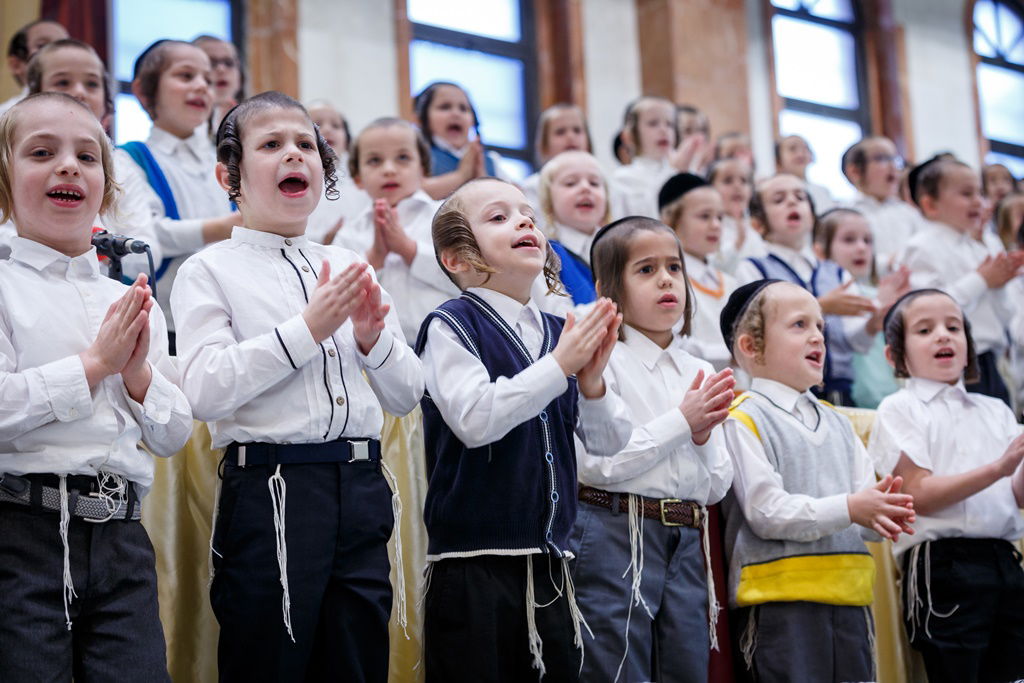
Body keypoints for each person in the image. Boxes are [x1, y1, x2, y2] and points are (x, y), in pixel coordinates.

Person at [171, 91, 424, 682]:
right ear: (228, 175)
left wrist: (369, 338)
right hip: (272, 489)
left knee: (357, 662)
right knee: (270, 662)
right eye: (272, 145)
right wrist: (309, 330)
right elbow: (205, 390)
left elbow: (407, 393)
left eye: (306, 145)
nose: (295, 156)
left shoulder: (347, 264)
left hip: (361, 485)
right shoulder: (208, 269)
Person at [0, 91, 192, 680]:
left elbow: (172, 432)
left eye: (88, 156)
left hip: (122, 537)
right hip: (22, 534)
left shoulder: (129, 299)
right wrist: (93, 364)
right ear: (4, 181)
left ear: (106, 188)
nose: (68, 166)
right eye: (41, 152)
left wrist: (135, 374)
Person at [415, 177, 631, 681]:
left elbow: (609, 444)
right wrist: (560, 367)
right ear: (455, 257)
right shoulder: (451, 324)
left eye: (528, 214)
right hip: (473, 564)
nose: (524, 222)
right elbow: (475, 419)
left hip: (553, 565)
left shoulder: (561, 333)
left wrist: (593, 382)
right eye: (498, 217)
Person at [719, 279, 916, 682]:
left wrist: (882, 514)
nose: (817, 338)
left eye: (821, 327)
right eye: (798, 325)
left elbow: (863, 513)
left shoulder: (840, 424)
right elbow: (765, 513)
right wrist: (853, 508)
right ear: (750, 347)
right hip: (781, 604)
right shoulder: (743, 418)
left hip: (850, 598)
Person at [571, 215, 735, 682]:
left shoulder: (694, 367)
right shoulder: (602, 357)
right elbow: (600, 465)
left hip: (686, 536)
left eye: (674, 268)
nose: (666, 279)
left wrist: (701, 437)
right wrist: (683, 422)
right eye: (645, 269)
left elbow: (716, 485)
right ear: (607, 288)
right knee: (616, 668)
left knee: (686, 669)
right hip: (614, 528)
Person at [869, 288, 1024, 682]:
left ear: (970, 346)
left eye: (954, 327)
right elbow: (918, 494)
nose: (943, 335)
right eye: (924, 330)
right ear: (894, 356)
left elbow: (1017, 494)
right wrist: (999, 467)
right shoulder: (900, 407)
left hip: (1004, 558)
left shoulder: (997, 409)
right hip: (943, 564)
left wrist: (1014, 467)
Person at [117, 39, 239, 343]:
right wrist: (220, 228)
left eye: (208, 81)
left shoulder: (223, 158)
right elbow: (146, 235)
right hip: (170, 321)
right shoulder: (130, 158)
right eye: (186, 76)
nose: (201, 86)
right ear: (144, 92)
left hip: (231, 315)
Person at [22, 38, 162, 278]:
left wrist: (96, 244)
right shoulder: (14, 156)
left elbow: (147, 255)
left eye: (92, 84)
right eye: (63, 82)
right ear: (35, 94)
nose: (79, 92)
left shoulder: (122, 168)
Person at [736, 174, 877, 405]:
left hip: (839, 388)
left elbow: (856, 342)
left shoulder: (836, 271)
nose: (792, 202)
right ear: (757, 223)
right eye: (779, 200)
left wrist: (874, 323)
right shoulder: (753, 268)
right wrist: (821, 306)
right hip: (783, 392)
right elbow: (758, 327)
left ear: (812, 217)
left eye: (800, 197)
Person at [900, 158, 1024, 405]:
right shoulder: (921, 247)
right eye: (966, 194)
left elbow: (1006, 314)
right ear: (931, 204)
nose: (978, 201)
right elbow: (929, 308)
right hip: (951, 364)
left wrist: (998, 284)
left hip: (990, 360)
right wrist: (982, 279)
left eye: (980, 192)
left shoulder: (979, 248)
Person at [335, 116, 458, 344]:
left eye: (402, 158)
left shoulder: (447, 218)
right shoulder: (349, 235)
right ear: (358, 178)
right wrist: (375, 258)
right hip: (381, 359)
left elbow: (467, 278)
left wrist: (408, 249)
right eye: (374, 160)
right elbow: (338, 302)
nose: (389, 169)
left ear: (422, 169)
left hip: (449, 347)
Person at [812, 207, 909, 408]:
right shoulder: (824, 295)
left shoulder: (880, 292)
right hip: (852, 396)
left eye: (867, 240)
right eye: (849, 240)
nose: (861, 248)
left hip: (889, 396)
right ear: (820, 250)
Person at [659, 172, 738, 372]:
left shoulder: (730, 283)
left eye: (720, 217)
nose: (716, 225)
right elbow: (672, 342)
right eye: (704, 216)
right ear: (670, 220)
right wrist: (732, 354)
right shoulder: (667, 281)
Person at [536, 149, 611, 305]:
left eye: (594, 183)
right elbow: (561, 317)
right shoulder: (546, 256)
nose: (585, 188)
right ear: (548, 202)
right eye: (570, 183)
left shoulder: (620, 250)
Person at [414, 81, 512, 200]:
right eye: (445, 107)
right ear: (422, 118)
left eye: (464, 108)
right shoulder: (417, 155)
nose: (456, 114)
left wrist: (481, 176)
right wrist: (461, 175)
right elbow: (413, 193)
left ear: (473, 121)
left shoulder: (491, 160)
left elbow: (513, 198)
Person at [842, 136, 924, 273]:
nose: (893, 166)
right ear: (855, 171)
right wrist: (889, 262)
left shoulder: (909, 213)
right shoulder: (845, 213)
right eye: (882, 159)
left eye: (895, 159)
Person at [613, 96, 702, 218]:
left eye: (670, 124)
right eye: (653, 123)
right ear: (630, 135)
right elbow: (649, 217)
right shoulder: (623, 177)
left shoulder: (685, 170)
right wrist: (673, 171)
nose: (664, 130)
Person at [305, 99, 369, 244]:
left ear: (346, 140)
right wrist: (325, 240)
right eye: (318, 124)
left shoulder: (361, 182)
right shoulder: (298, 183)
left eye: (336, 125)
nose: (328, 129)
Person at [521, 103, 592, 213]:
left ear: (588, 143)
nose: (571, 136)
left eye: (577, 130)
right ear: (544, 146)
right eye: (560, 132)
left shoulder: (602, 184)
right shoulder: (533, 187)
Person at [707, 157, 765, 274]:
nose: (737, 186)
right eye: (728, 181)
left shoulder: (756, 233)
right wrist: (738, 243)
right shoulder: (709, 229)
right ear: (711, 189)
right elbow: (711, 267)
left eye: (744, 181)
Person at [0, 19, 68, 115]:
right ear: (16, 65)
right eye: (43, 45)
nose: (59, 52)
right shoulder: (4, 117)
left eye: (65, 45)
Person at [192, 35, 244, 132]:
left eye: (228, 63)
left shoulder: (253, 118)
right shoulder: (181, 126)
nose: (221, 69)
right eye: (211, 63)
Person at [775, 134, 834, 212]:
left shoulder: (822, 191)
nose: (800, 154)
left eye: (805, 149)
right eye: (792, 149)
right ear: (778, 160)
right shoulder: (774, 192)